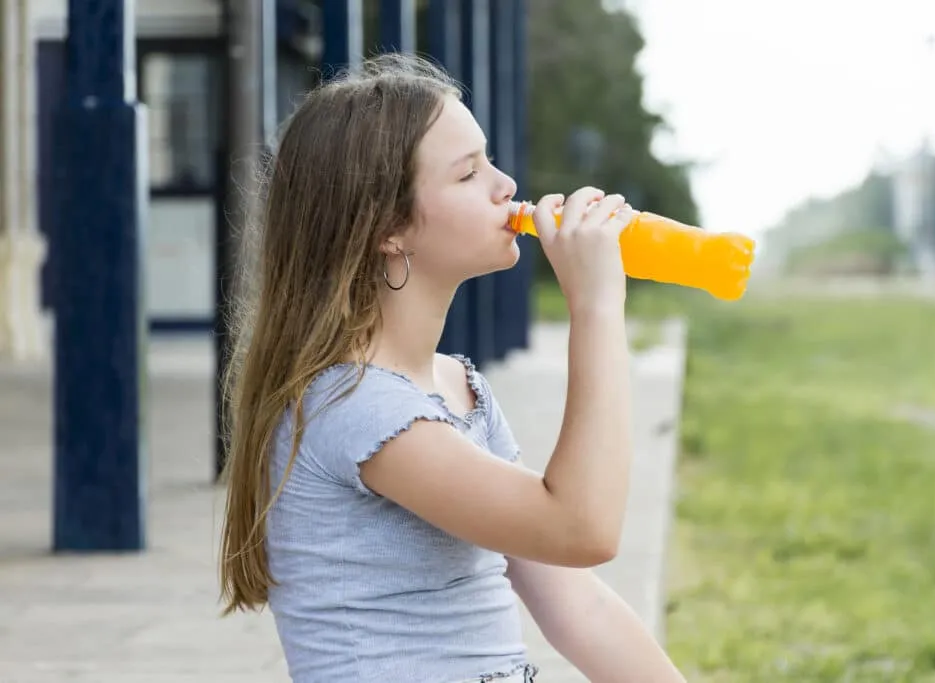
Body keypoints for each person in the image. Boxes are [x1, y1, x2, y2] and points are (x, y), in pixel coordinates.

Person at [217, 53, 687, 683]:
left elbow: (581, 605)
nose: (505, 186)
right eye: (469, 173)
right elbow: (581, 528)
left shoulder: (456, 389)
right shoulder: (355, 406)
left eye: (489, 161)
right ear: (389, 228)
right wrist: (596, 307)